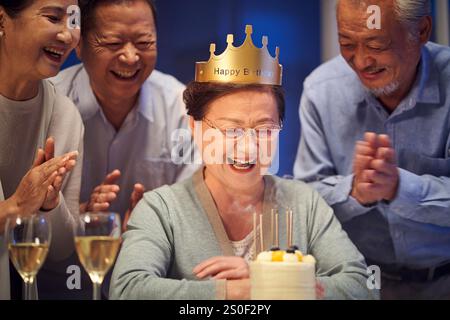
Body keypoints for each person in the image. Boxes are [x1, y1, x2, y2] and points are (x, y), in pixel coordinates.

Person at [110, 25, 376, 300]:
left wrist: (269, 280)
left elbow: (363, 287)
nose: (249, 147)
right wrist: (236, 291)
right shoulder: (161, 209)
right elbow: (127, 290)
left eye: (264, 130)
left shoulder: (304, 203)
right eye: (231, 130)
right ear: (195, 127)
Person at [294, 0, 450, 299]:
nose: (362, 61)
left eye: (376, 45)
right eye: (347, 43)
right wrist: (353, 191)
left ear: (422, 30)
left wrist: (400, 188)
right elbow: (303, 199)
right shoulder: (321, 90)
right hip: (358, 283)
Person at [51, 0, 199, 224]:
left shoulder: (179, 107)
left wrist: (155, 222)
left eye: (144, 42)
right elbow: (29, 218)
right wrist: (78, 216)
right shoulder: (51, 102)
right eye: (113, 43)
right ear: (79, 44)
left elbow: (194, 205)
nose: (130, 57)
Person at [0, 0, 83, 300]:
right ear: (2, 19)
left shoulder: (64, 114)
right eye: (53, 17)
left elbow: (61, 250)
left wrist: (50, 204)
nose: (68, 34)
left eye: (73, 20)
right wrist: (16, 208)